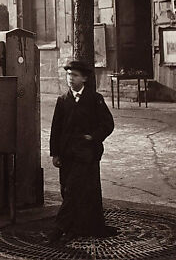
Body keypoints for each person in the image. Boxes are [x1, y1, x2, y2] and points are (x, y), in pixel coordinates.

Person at [47, 60, 115, 244]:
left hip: (86, 155)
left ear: (84, 78)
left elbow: (108, 124)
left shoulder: (95, 99)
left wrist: (92, 137)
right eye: (69, 75)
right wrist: (55, 154)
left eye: (75, 75)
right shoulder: (62, 100)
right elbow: (56, 129)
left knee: (74, 191)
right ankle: (77, 227)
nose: (71, 79)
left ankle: (59, 229)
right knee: (67, 189)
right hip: (67, 154)